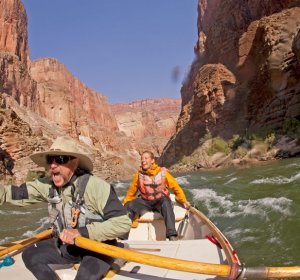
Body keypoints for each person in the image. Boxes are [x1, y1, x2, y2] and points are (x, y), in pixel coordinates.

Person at [0, 136, 131, 280]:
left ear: (75, 163)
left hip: (98, 248)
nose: (53, 165)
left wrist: (81, 232)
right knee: (30, 255)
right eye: (50, 160)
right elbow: (14, 194)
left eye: (61, 159)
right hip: (68, 247)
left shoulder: (96, 187)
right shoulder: (46, 185)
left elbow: (122, 224)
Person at [123, 151, 190, 241]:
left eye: (146, 158)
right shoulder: (138, 176)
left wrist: (183, 201)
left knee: (166, 203)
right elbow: (131, 192)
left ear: (152, 160)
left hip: (160, 200)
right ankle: (122, 237)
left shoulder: (163, 173)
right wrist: (125, 203)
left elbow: (176, 187)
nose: (143, 161)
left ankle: (172, 235)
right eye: (142, 159)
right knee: (129, 206)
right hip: (145, 201)